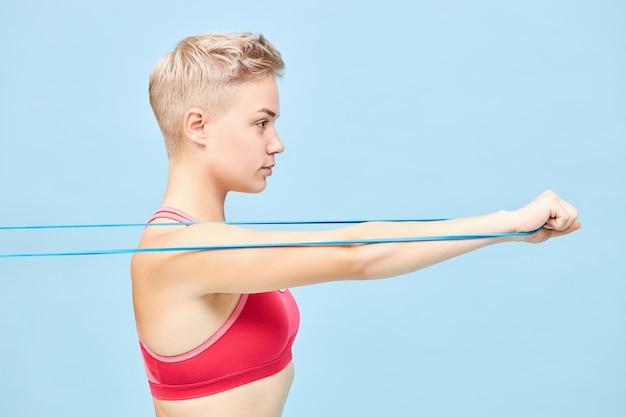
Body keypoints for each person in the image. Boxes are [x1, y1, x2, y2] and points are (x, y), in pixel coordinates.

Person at [131, 32, 580, 417]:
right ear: (198, 126)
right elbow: (358, 253)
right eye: (261, 123)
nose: (277, 143)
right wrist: (508, 222)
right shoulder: (177, 251)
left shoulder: (211, 243)